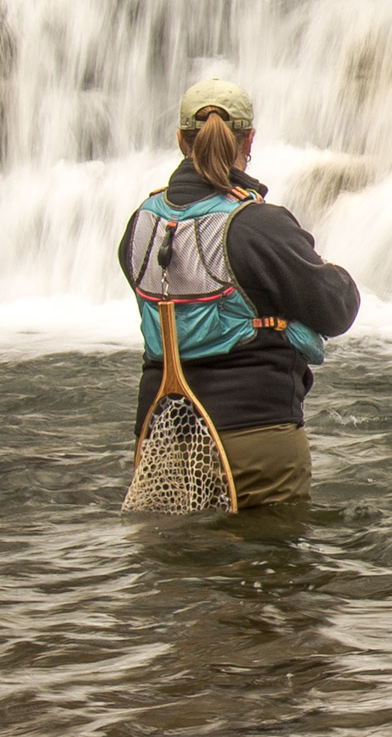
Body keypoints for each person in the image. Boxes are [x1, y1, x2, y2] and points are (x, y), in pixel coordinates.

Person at [118, 77, 360, 508]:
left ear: (180, 141)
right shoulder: (258, 225)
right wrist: (331, 272)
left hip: (161, 444)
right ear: (249, 140)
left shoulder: (141, 224)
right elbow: (336, 310)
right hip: (254, 436)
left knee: (174, 571)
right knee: (267, 566)